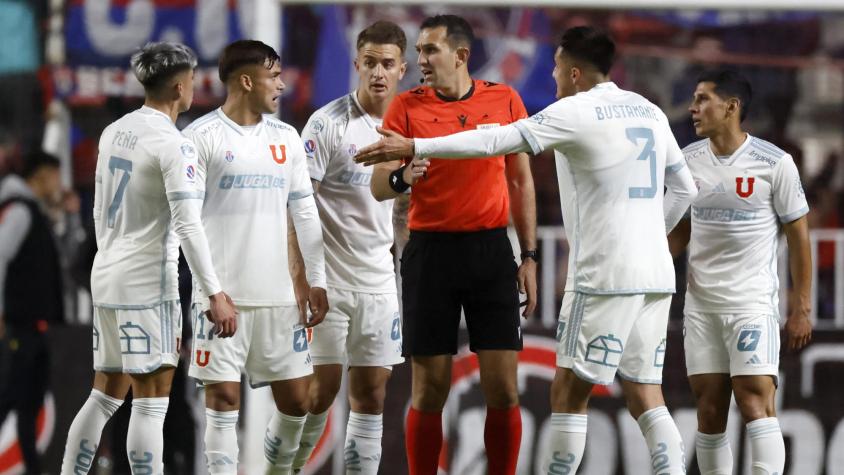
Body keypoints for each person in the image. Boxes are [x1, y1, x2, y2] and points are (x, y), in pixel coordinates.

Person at [356, 25, 698, 474]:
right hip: (650, 272)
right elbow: (685, 188)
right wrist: (652, 234)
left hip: (573, 268)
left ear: (574, 73)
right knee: (646, 394)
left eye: (556, 65)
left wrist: (421, 146)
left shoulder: (565, 109)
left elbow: (498, 145)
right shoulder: (649, 111)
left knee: (561, 393)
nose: (552, 73)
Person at [365, 14, 537, 475]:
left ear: (460, 55)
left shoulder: (504, 100)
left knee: (503, 388)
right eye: (419, 51)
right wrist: (403, 176)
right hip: (430, 253)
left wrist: (531, 255)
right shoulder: (404, 107)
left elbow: (520, 182)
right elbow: (381, 186)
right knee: (430, 389)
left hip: (490, 253)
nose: (420, 60)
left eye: (429, 50)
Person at [59, 41, 238, 475]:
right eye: (193, 79)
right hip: (147, 285)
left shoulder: (115, 131)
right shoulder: (174, 146)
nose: (195, 86)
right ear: (179, 86)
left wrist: (113, 255)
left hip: (109, 275)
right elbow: (188, 225)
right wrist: (215, 292)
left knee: (104, 395)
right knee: (152, 401)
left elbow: (99, 212)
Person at [182, 39, 328, 475]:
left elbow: (304, 211)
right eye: (274, 75)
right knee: (223, 400)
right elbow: (186, 222)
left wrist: (316, 279)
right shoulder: (199, 138)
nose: (282, 84)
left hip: (279, 298)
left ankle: (276, 471)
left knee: (298, 401)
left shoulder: (286, 138)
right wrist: (212, 293)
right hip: (222, 299)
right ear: (247, 80)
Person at [667, 69, 812, 475]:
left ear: (731, 107)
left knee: (753, 401)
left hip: (750, 303)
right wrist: (649, 270)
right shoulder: (686, 162)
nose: (693, 109)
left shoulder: (774, 163)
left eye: (702, 99)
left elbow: (799, 237)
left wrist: (801, 306)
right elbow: (681, 231)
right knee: (709, 408)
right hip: (700, 305)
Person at [287, 21, 407, 475]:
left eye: (388, 64)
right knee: (320, 393)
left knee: (373, 397)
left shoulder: (405, 131)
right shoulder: (327, 123)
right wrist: (302, 279)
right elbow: (296, 205)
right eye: (370, 63)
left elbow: (403, 211)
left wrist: (407, 265)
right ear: (357, 64)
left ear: (402, 69)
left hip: (378, 282)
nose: (378, 72)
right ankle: (291, 469)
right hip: (329, 283)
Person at [0, 152, 64, 475]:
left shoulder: (34, 212)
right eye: (55, 175)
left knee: (27, 406)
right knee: (9, 399)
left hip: (34, 329)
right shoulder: (20, 212)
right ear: (40, 175)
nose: (59, 184)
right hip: (19, 327)